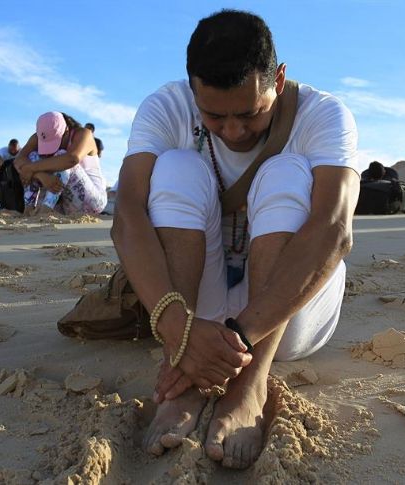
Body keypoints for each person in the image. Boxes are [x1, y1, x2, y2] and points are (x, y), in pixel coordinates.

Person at [111, 9, 359, 469]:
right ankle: (185, 374)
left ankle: (250, 385)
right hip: (197, 314)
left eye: (250, 113)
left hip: (286, 317)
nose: (233, 131)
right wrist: (176, 332)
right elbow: (127, 217)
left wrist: (240, 342)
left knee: (286, 171)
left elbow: (334, 229)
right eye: (214, 116)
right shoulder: (166, 107)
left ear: (278, 80)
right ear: (192, 88)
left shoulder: (323, 115)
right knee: (176, 168)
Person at [13, 111, 107, 216]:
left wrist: (31, 169)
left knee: (62, 155)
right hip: (61, 203)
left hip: (91, 203)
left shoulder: (83, 134)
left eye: (55, 142)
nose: (51, 149)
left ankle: (45, 211)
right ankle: (29, 209)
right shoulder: (41, 136)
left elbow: (72, 159)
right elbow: (18, 160)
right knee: (32, 157)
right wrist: (40, 175)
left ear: (66, 130)